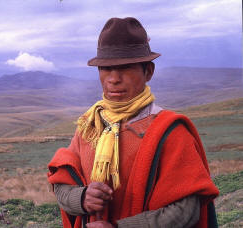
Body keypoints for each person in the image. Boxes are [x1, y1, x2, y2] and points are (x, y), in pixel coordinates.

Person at [47, 17, 219, 228]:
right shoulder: (89, 126)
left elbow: (186, 211)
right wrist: (81, 198)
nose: (113, 78)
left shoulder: (171, 132)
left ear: (148, 71)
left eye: (125, 67)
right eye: (105, 68)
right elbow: (61, 184)